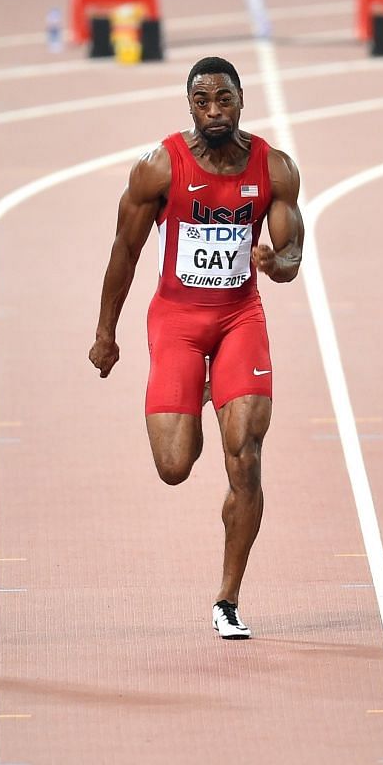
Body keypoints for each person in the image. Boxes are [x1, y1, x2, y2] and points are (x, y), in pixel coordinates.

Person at [89, 56, 304, 639]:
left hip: (240, 317)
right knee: (174, 467)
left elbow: (291, 258)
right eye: (203, 101)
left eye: (224, 100)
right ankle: (203, 392)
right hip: (178, 321)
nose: (214, 111)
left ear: (241, 101)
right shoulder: (160, 168)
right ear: (190, 106)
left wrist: (274, 261)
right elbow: (124, 251)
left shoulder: (276, 169)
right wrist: (107, 331)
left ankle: (228, 598)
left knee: (246, 454)